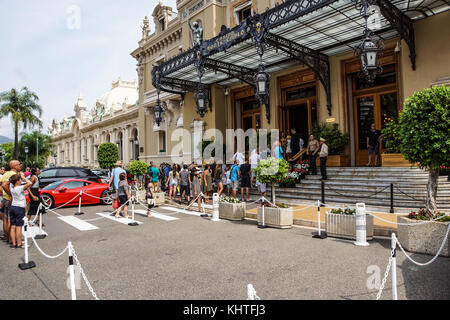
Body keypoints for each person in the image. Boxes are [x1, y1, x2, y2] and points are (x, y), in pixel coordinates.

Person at [9, 172, 33, 248]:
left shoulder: (11, 187)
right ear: (17, 181)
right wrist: (24, 177)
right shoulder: (19, 188)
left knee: (13, 226)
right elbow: (29, 183)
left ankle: (13, 243)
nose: (21, 181)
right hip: (19, 208)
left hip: (13, 206)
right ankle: (19, 243)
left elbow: (10, 182)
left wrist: (19, 176)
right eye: (20, 180)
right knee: (19, 226)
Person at [0, 161, 21, 245]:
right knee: (10, 220)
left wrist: (4, 193)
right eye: (19, 164)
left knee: (5, 219)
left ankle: (6, 236)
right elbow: (4, 185)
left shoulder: (5, 174)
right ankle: (11, 239)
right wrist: (10, 194)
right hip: (10, 200)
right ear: (15, 166)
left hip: (5, 199)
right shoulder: (13, 174)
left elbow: (1, 185)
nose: (20, 165)